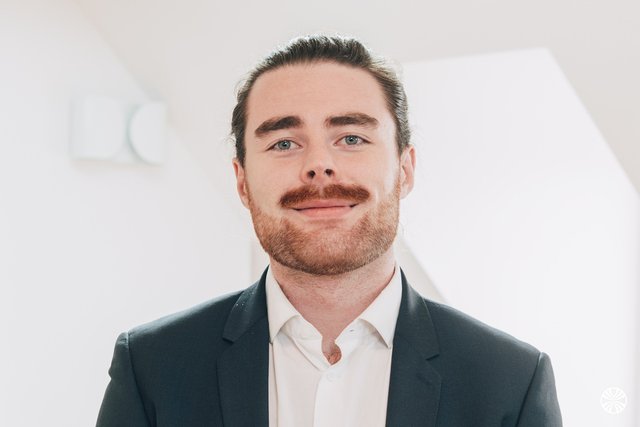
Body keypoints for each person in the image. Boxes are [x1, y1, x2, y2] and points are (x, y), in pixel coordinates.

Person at [96, 35, 562, 427]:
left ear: (404, 169)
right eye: (284, 142)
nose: (319, 164)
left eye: (351, 138)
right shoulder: (152, 367)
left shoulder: (510, 381)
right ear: (242, 181)